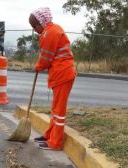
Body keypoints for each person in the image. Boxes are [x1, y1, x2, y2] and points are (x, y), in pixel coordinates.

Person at [29, 7, 77, 150]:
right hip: (60, 74)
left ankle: (55, 142)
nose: (34, 29)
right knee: (55, 108)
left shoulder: (50, 33)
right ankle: (49, 135)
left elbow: (46, 59)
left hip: (63, 74)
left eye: (35, 26)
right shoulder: (50, 31)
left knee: (59, 110)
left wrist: (38, 66)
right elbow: (46, 54)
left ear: (42, 22)